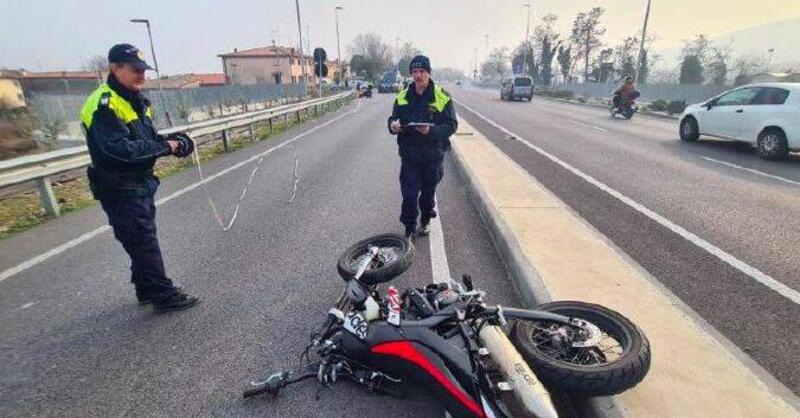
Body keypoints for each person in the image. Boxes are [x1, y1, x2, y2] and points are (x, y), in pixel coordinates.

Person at [79, 44, 199, 312]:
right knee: (143, 240)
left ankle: (146, 287)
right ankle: (163, 295)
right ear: (115, 68)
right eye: (135, 70)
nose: (141, 76)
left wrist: (172, 142)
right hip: (119, 187)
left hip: (139, 185)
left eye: (144, 70)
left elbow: (146, 140)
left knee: (140, 238)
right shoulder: (104, 105)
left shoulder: (134, 100)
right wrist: (165, 147)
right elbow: (120, 152)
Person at [388, 55, 457, 238]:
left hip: (432, 156)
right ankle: (409, 227)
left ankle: (425, 218)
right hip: (410, 155)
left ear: (429, 72)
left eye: (422, 72)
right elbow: (393, 119)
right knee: (409, 194)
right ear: (411, 74)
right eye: (414, 72)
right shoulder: (403, 96)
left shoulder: (442, 97)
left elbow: (451, 125)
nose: (418, 76)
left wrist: (430, 132)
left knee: (427, 194)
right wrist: (393, 127)